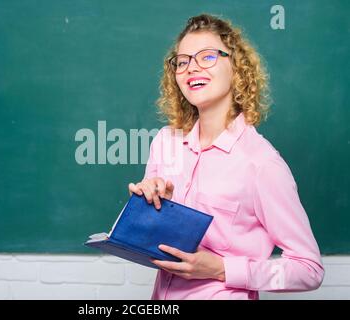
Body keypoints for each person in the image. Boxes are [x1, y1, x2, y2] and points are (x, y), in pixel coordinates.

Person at [128, 13, 324, 300]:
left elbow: (309, 270)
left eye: (207, 57)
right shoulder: (165, 142)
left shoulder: (261, 164)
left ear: (237, 68)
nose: (191, 68)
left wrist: (223, 269)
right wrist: (148, 202)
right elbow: (154, 239)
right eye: (182, 62)